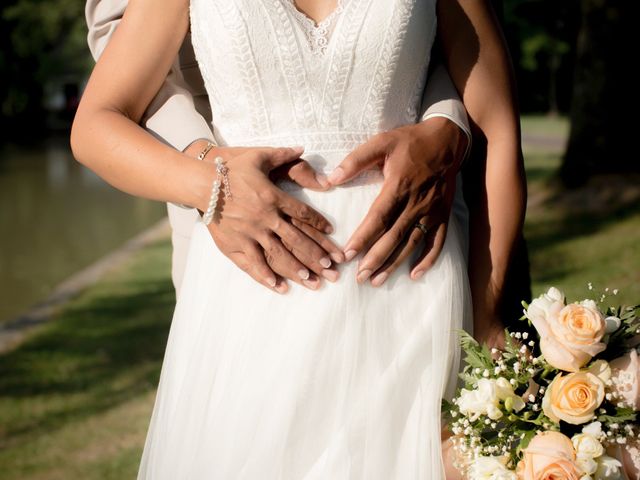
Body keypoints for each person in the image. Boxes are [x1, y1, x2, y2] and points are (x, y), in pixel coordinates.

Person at [71, 0, 526, 477]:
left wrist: (489, 317)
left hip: (408, 284)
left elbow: (496, 125)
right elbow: (96, 123)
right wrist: (214, 186)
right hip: (252, 291)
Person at [84, 0, 473, 298]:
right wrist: (208, 173)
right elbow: (110, 69)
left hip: (414, 245)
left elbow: (449, 39)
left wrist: (447, 123)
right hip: (245, 244)